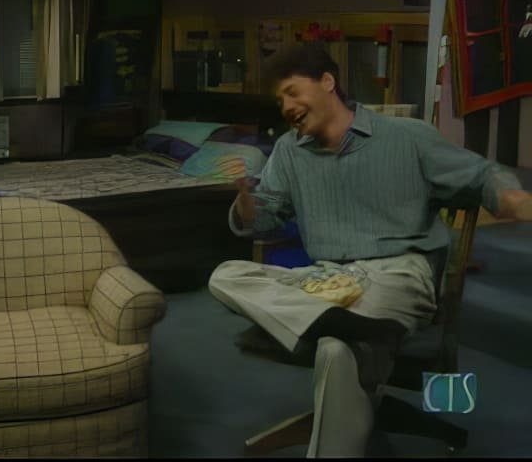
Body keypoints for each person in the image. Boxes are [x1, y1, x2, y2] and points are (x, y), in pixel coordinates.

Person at [208, 43, 532, 457]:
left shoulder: (406, 136)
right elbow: (266, 216)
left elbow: (482, 174)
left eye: (292, 92)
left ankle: (336, 327)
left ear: (328, 82)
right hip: (328, 280)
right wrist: (248, 206)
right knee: (226, 275)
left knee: (335, 349)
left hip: (399, 272)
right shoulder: (289, 150)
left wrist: (511, 197)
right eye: (279, 101)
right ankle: (343, 324)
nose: (286, 107)